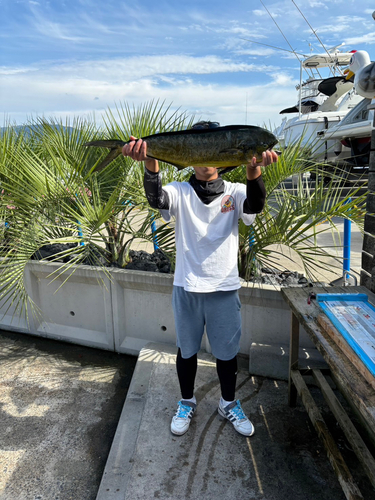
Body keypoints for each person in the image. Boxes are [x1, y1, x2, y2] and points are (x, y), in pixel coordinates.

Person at [122, 121, 278, 437]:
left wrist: (254, 173)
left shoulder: (235, 192)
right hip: (187, 287)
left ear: (222, 156)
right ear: (191, 155)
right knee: (187, 351)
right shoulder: (179, 191)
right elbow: (156, 199)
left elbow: (256, 205)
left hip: (224, 288)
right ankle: (187, 401)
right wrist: (150, 161)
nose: (206, 159)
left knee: (227, 355)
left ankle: (228, 403)